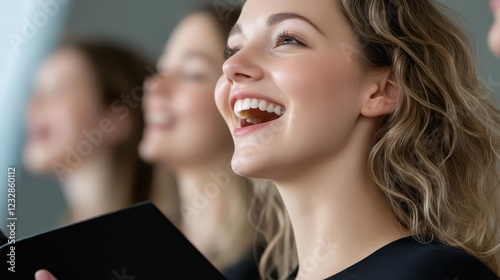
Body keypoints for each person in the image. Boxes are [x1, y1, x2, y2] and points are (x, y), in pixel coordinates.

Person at [215, 0, 500, 279]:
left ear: (382, 90)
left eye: (287, 39)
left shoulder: (436, 274)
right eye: (234, 49)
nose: (232, 66)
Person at [35, 4, 261, 280]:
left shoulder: (268, 264)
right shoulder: (138, 257)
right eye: (160, 69)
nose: (154, 86)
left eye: (191, 73)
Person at [24, 40, 176, 223]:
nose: (33, 106)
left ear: (115, 118)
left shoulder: (170, 229)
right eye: (37, 92)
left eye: (57, 89)